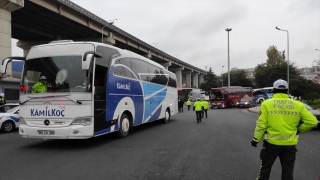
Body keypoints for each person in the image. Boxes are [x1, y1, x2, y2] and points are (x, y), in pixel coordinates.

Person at [251, 79, 317, 180]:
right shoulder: (298, 105)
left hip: (271, 144)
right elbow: (313, 121)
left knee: (265, 170)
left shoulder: (267, 104)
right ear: (286, 90)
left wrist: (255, 139)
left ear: (273, 89)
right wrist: (299, 130)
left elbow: (261, 124)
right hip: (289, 145)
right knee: (288, 171)